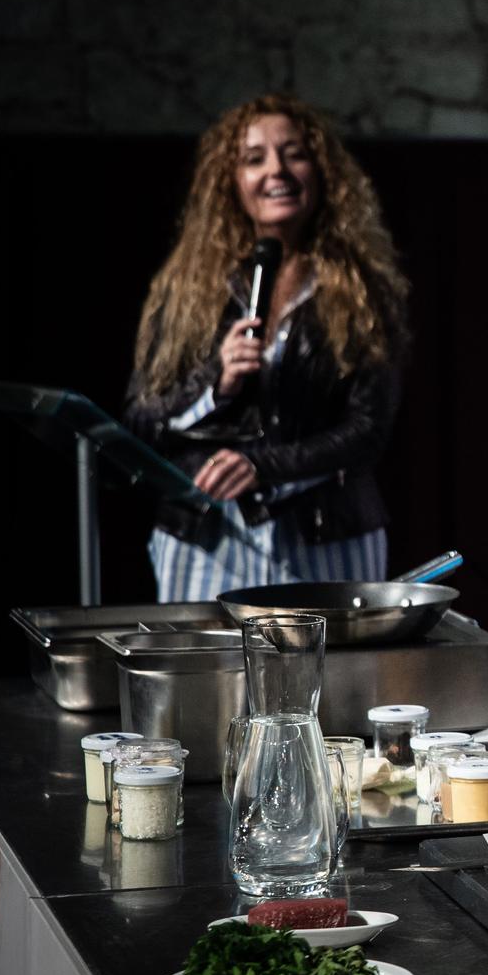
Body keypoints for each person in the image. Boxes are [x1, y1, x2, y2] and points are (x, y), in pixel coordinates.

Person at [124, 93, 408, 602]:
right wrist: (217, 383)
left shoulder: (364, 291)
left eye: (294, 153)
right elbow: (142, 419)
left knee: (330, 660)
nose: (277, 169)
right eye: (254, 159)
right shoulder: (187, 291)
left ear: (321, 171)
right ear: (230, 181)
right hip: (208, 536)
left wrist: (264, 466)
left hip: (325, 535)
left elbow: (369, 429)